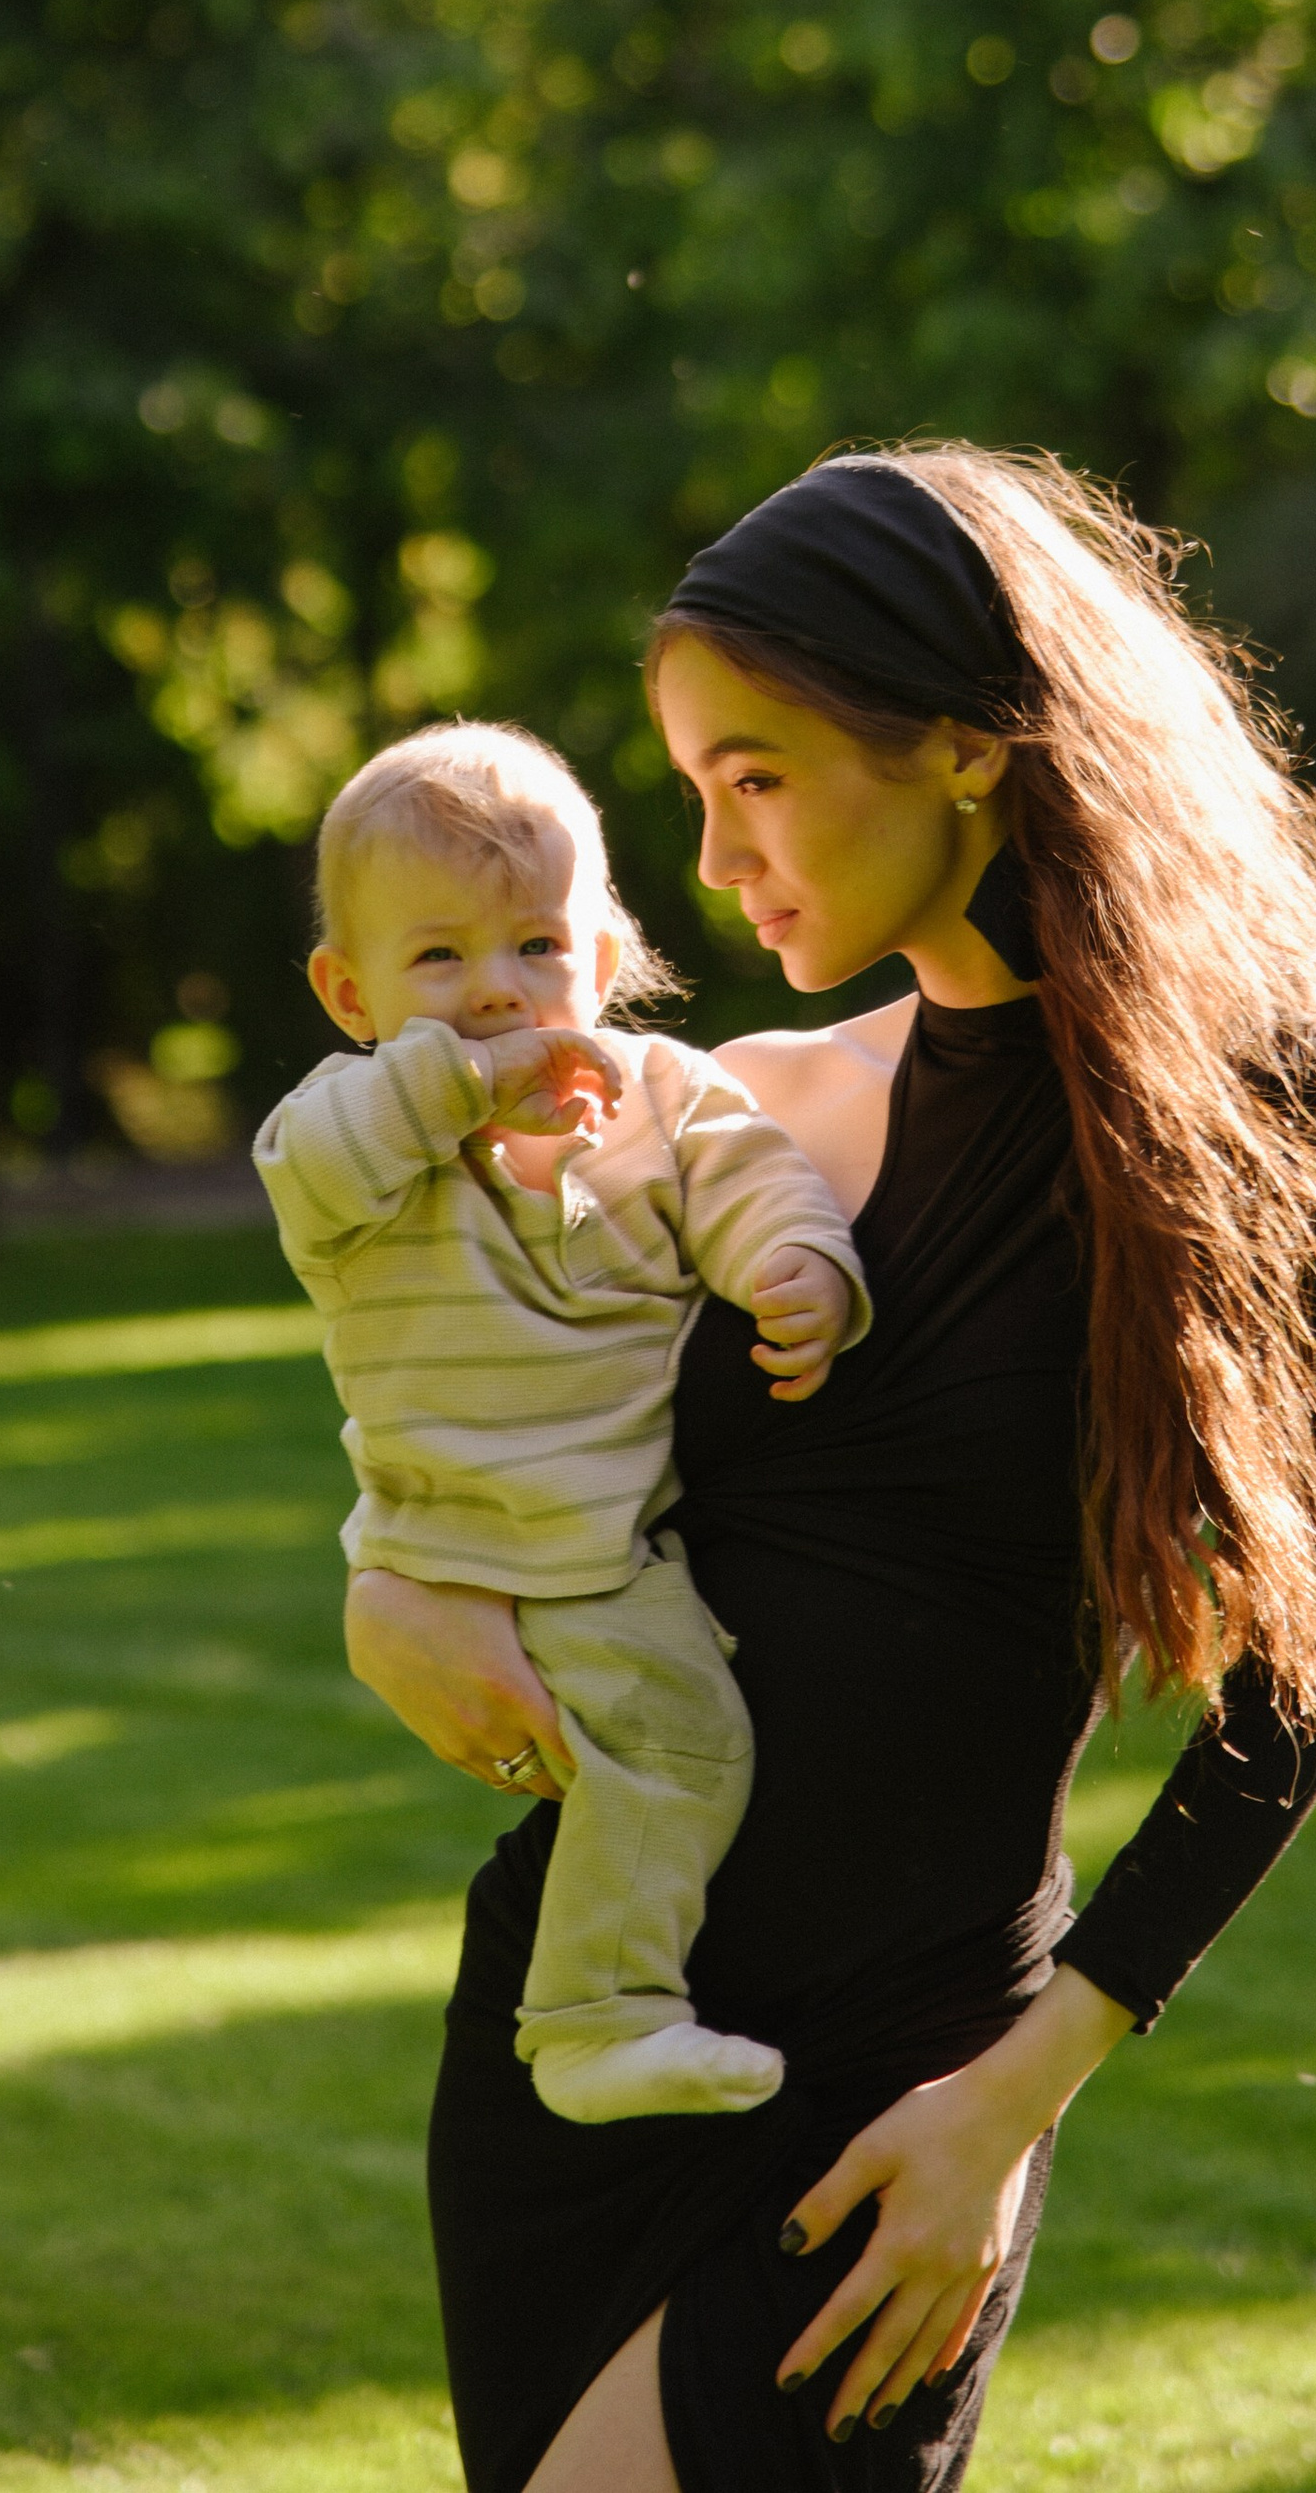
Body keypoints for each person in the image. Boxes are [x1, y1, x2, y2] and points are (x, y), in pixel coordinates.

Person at [349, 446, 1316, 2493]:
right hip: (575, 2053)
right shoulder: (733, 1116)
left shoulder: (1249, 1128)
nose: (710, 856)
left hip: (896, 2098)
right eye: (688, 792)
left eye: (753, 777)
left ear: (958, 752)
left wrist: (1008, 2103)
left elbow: (1302, 1687)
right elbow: (474, 1437)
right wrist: (389, 1593)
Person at [256, 722, 872, 2122]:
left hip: (598, 1546)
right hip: (450, 1539)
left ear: (601, 957)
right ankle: (599, 2014)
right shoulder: (352, 1124)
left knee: (680, 1740)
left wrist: (800, 1265)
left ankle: (600, 2004)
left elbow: (756, 1174)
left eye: (536, 944)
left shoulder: (661, 1093)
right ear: (348, 990)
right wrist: (475, 1084)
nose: (495, 990)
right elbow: (311, 1170)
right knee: (682, 1743)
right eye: (438, 957)